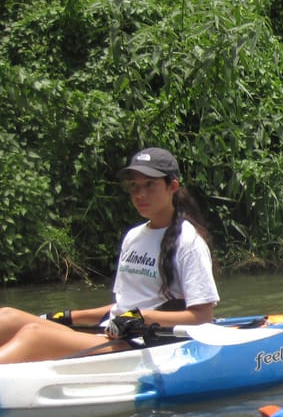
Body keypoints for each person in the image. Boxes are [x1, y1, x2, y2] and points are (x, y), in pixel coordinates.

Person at [0, 147, 220, 364]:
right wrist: (69, 316)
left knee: (34, 335)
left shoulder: (189, 243)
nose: (140, 194)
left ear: (172, 186)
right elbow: (122, 307)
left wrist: (142, 318)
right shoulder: (133, 236)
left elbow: (202, 318)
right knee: (7, 317)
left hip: (146, 342)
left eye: (150, 185)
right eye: (134, 186)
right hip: (114, 332)